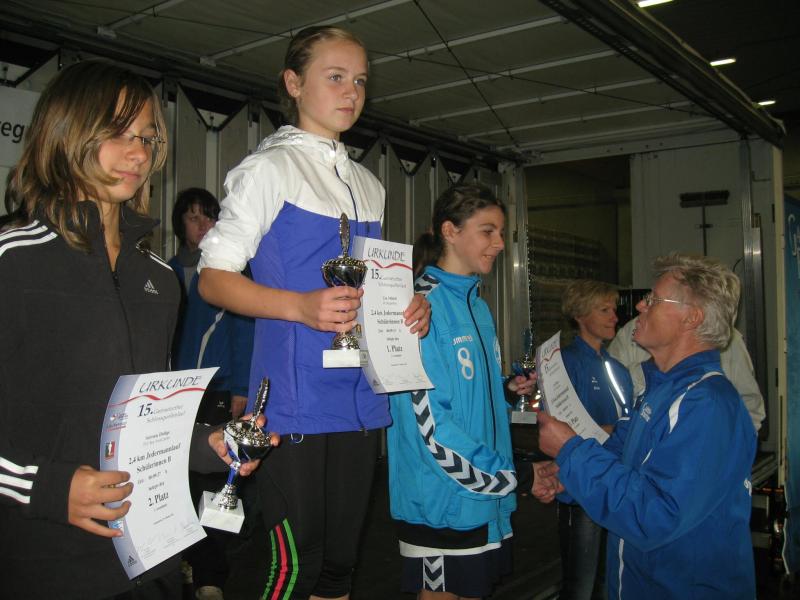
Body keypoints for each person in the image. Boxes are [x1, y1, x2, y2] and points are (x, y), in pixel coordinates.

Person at [0, 60, 268, 600]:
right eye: (117, 133)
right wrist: (46, 488)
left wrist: (209, 445)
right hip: (46, 561)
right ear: (65, 132)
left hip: (151, 561)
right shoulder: (13, 259)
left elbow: (142, 421)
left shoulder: (160, 279)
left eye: (146, 137)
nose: (139, 153)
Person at [196, 26, 431, 600]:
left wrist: (405, 307)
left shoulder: (369, 184)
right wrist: (298, 306)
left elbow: (370, 283)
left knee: (341, 566)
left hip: (360, 399)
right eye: (335, 77)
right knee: (294, 566)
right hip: (292, 402)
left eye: (360, 81)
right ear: (294, 83)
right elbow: (212, 279)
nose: (352, 92)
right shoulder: (268, 169)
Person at [534, 254, 757, 599]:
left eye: (653, 299)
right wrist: (566, 475)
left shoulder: (707, 404)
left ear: (692, 318)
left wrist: (571, 451)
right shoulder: (659, 389)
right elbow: (620, 458)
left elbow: (656, 515)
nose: (639, 305)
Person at [387, 184, 536, 600]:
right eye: (488, 231)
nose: (500, 243)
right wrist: (507, 475)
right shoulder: (419, 308)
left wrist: (505, 391)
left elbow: (465, 394)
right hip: (442, 501)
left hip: (481, 500)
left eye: (501, 232)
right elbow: (427, 424)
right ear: (450, 231)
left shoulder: (477, 305)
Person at [168, 187, 256, 600]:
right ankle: (186, 557)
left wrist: (240, 387)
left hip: (218, 390)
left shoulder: (228, 270)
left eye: (209, 216)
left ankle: (210, 576)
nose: (203, 224)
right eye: (193, 217)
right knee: (176, 483)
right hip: (172, 395)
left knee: (215, 483)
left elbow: (244, 329)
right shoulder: (165, 272)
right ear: (180, 225)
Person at [557, 280, 633, 600]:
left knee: (607, 582)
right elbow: (560, 429)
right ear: (579, 315)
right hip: (582, 489)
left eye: (613, 309)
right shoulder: (565, 363)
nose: (614, 316)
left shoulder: (617, 368)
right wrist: (612, 430)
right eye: (604, 310)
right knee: (580, 586)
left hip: (615, 483)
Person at [608, 315, 765, 432]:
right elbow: (613, 392)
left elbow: (750, 407)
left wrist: (730, 450)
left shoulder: (729, 341)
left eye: (656, 299)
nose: (641, 305)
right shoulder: (632, 331)